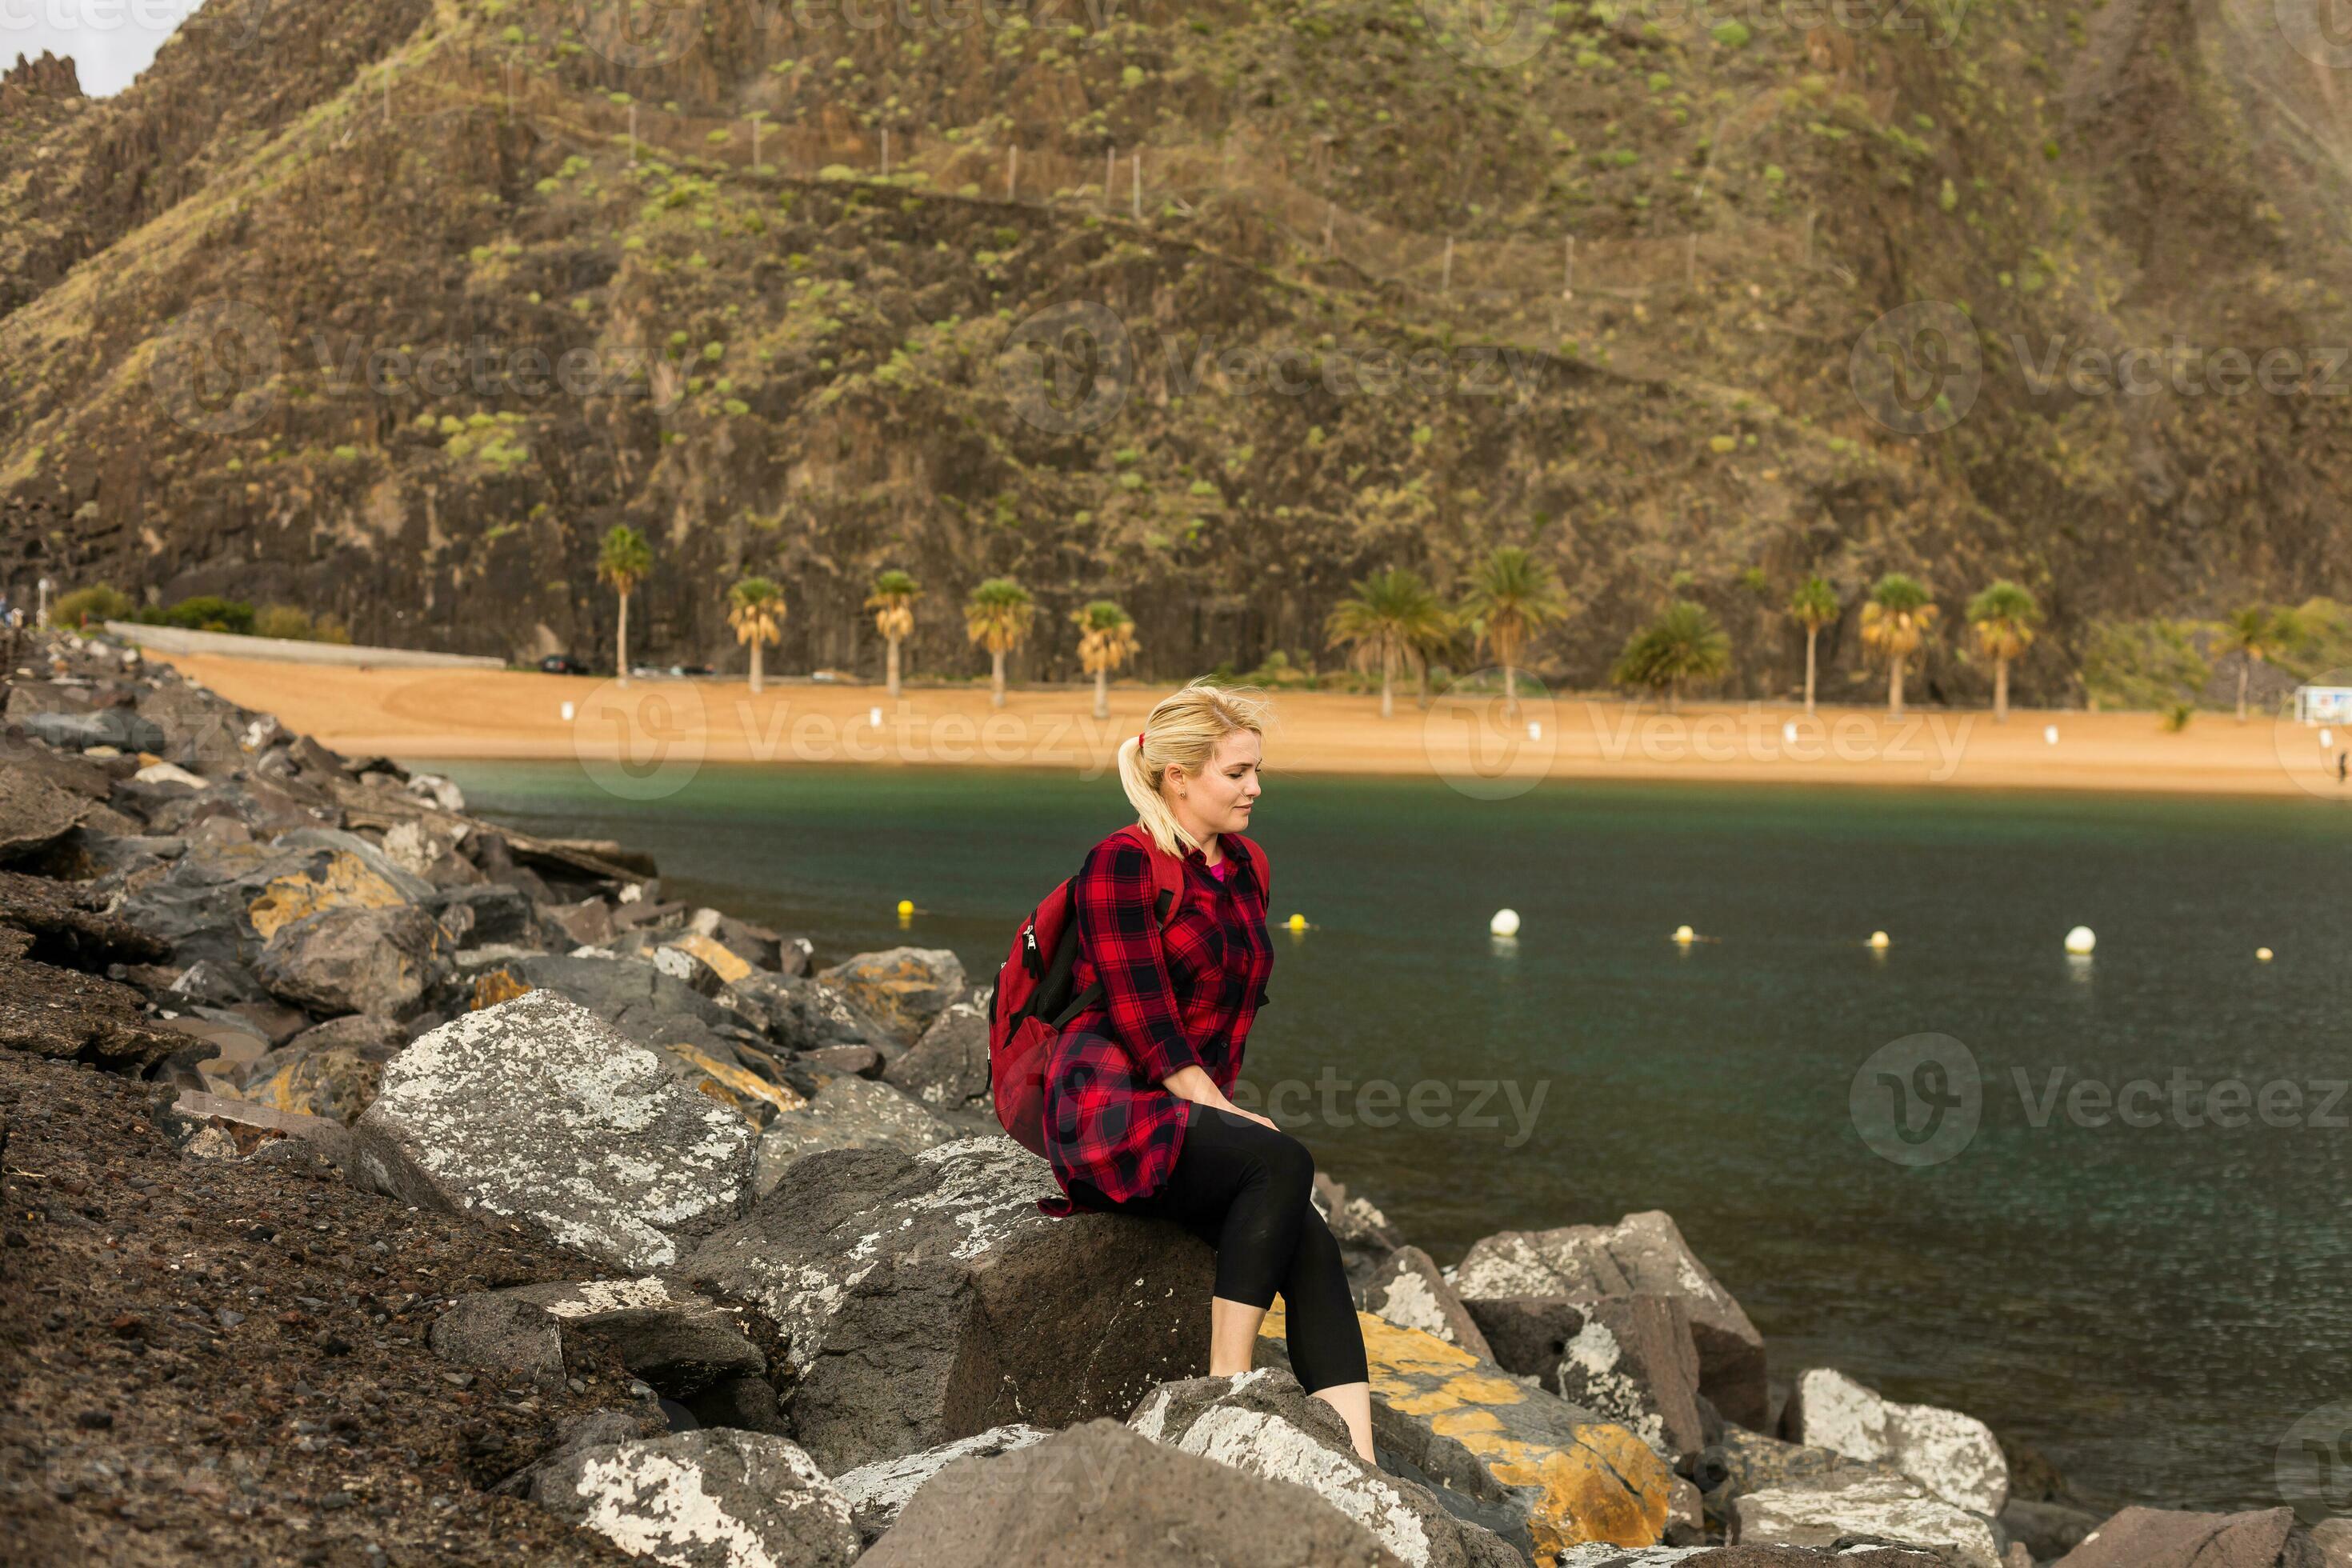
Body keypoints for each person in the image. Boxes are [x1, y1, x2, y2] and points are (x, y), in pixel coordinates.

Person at [1036, 681, 1375, 1463]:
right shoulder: (1122, 863)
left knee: (1311, 1240)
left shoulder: (1246, 865)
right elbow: (1143, 1012)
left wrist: (1220, 1118)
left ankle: (1362, 1465)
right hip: (1108, 1112)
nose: (1256, 787)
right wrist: (1225, 1115)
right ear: (1179, 776)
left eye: (1257, 769)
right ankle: (1227, 1391)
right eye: (1237, 772)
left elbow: (1231, 1014)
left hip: (1185, 1115)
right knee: (1281, 1157)